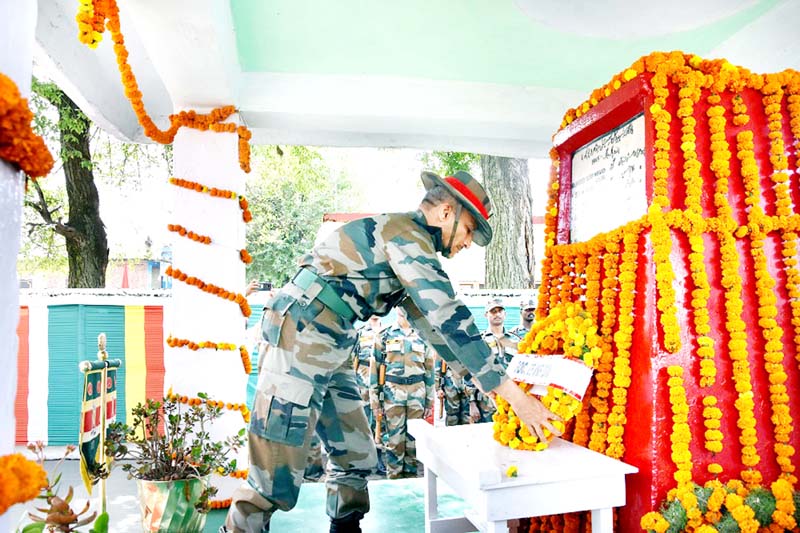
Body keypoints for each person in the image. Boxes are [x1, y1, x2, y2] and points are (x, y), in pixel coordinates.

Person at [224, 170, 561, 533]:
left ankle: (346, 527)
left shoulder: (408, 247)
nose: (468, 243)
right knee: (277, 462)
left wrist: (484, 385)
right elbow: (447, 313)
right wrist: (512, 394)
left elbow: (432, 327)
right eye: (468, 231)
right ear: (446, 212)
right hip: (303, 329)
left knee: (354, 452)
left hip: (334, 335)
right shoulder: (407, 236)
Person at [369, 307, 433, 479]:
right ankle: (394, 482)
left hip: (417, 395)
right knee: (394, 444)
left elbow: (429, 371)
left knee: (413, 444)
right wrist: (375, 403)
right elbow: (374, 370)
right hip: (392, 395)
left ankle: (412, 484)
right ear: (396, 307)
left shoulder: (423, 335)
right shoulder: (384, 335)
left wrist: (430, 401)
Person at [434, 355, 471, 426]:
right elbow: (437, 369)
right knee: (452, 415)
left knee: (466, 415)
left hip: (466, 382)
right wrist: (438, 388)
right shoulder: (443, 347)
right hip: (450, 383)